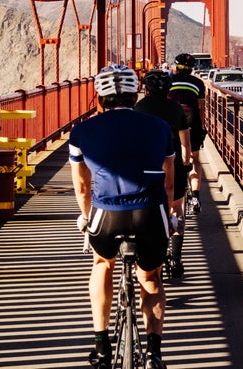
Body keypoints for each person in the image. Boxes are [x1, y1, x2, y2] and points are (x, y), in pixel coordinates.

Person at [70, 64, 175, 369]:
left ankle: (101, 346)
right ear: (135, 94)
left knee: (102, 263)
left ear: (99, 96)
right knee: (152, 276)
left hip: (107, 214)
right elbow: (167, 183)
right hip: (149, 213)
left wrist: (87, 217)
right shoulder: (159, 127)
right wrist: (169, 216)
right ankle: (154, 354)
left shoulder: (81, 131)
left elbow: (81, 185)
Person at [135, 70, 192, 278]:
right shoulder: (176, 108)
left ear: (146, 89)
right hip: (173, 163)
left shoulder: (139, 107)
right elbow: (185, 142)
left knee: (145, 206)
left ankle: (146, 254)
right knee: (176, 208)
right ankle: (176, 257)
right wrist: (186, 162)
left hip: (146, 165)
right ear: (169, 89)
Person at [167, 53, 206, 214]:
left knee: (170, 157)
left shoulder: (169, 81)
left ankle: (172, 193)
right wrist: (201, 127)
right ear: (191, 69)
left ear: (176, 67)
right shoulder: (198, 83)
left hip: (173, 120)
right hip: (193, 120)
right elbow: (201, 108)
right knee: (194, 158)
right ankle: (195, 196)